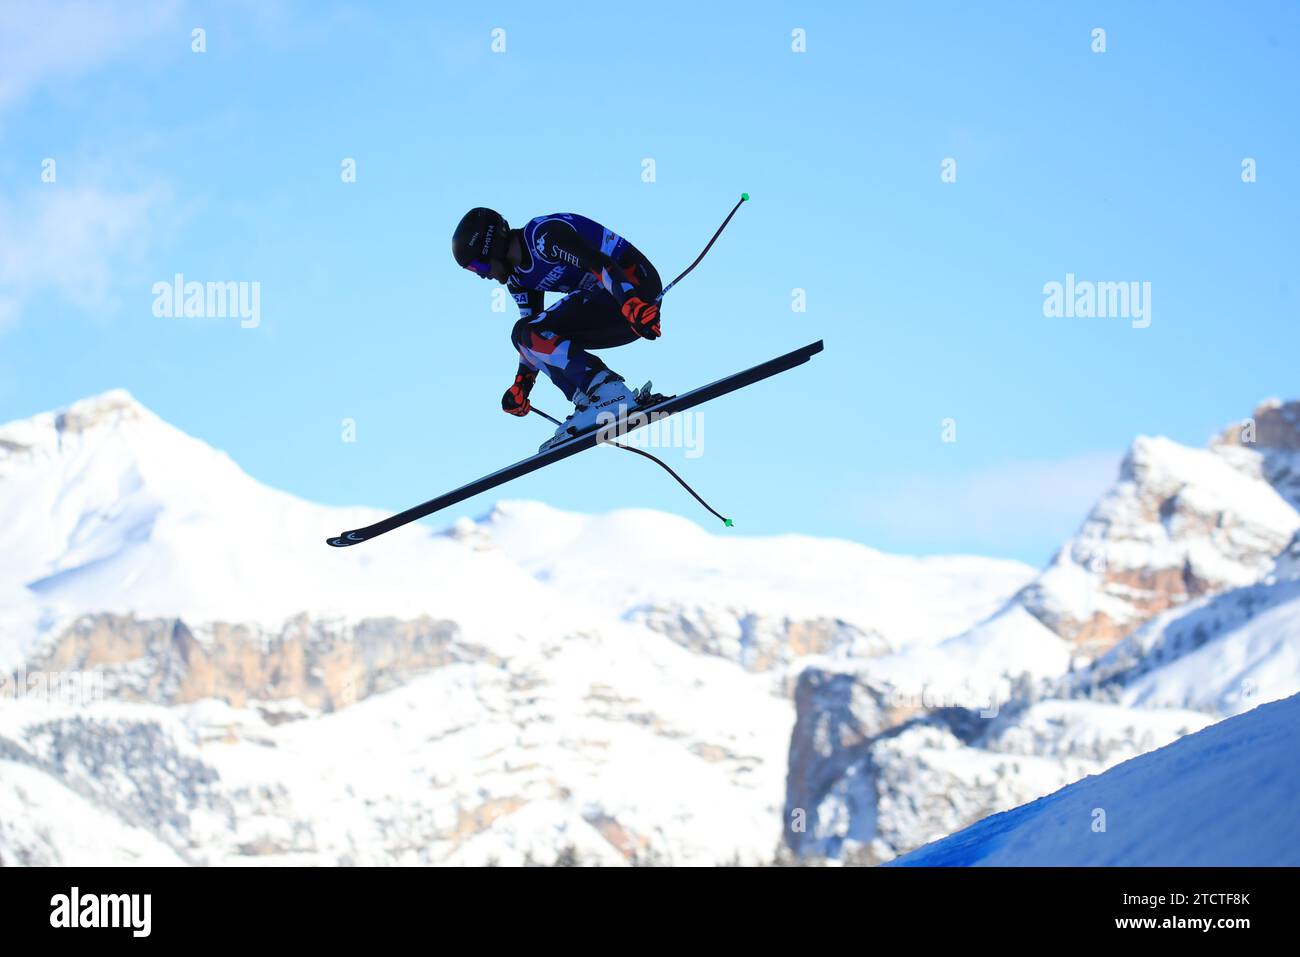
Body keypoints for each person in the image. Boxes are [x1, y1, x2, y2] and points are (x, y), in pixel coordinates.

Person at [452, 208, 662, 450]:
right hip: (614, 308)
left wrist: (631, 303)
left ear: (492, 245)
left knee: (526, 330)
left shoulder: (542, 237)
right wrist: (522, 385)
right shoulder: (518, 280)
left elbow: (597, 262)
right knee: (524, 334)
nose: (482, 276)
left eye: (479, 266)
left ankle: (608, 392)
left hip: (634, 287)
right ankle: (594, 397)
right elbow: (533, 340)